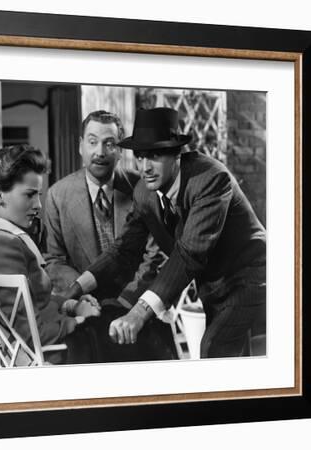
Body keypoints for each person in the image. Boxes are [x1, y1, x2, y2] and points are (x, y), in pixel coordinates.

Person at [66, 107, 266, 358]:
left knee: (214, 350)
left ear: (177, 154)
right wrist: (75, 287)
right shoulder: (144, 192)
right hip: (212, 286)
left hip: (251, 278)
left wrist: (139, 312)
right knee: (233, 361)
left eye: (155, 156)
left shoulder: (211, 178)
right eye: (140, 157)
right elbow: (124, 250)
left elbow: (189, 253)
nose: (145, 167)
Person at [44, 110, 176, 361]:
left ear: (120, 150)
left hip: (135, 300)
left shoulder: (143, 187)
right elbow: (54, 260)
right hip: (83, 305)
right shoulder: (57, 195)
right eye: (92, 142)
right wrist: (83, 296)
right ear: (80, 146)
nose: (100, 152)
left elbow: (155, 254)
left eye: (109, 143)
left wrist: (128, 302)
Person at [0, 145, 102, 365]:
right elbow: (31, 335)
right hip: (57, 355)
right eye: (29, 195)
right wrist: (80, 320)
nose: (38, 205)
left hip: (53, 337)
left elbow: (34, 303)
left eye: (38, 195)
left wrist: (70, 304)